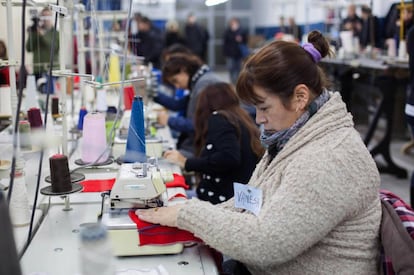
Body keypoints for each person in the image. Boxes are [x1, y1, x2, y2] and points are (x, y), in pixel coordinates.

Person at [136, 30, 382, 274]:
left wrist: (187, 214)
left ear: (300, 97)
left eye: (263, 107)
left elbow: (267, 243)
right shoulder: (294, 137)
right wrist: (191, 216)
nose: (259, 119)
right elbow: (252, 202)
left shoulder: (329, 157)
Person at [163, 82, 264, 204]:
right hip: (239, 198)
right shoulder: (241, 118)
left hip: (220, 200)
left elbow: (228, 157)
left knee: (167, 200)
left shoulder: (220, 118)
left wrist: (186, 162)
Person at [156, 53, 221, 157]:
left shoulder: (204, 85)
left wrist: (169, 120)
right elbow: (178, 104)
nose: (177, 87)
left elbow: (200, 125)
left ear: (183, 70)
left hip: (203, 149)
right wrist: (155, 94)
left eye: (175, 81)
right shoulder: (198, 82)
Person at [26, 7, 59, 82]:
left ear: (52, 17)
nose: (45, 19)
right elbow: (29, 48)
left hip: (53, 70)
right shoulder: (35, 32)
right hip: (38, 70)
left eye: (47, 16)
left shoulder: (56, 33)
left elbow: (55, 48)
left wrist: (42, 35)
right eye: (43, 16)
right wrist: (33, 34)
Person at [223, 17, 249, 84]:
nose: (233, 24)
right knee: (231, 68)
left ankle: (237, 81)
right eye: (232, 23)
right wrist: (225, 53)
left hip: (239, 53)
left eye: (235, 23)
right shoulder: (227, 31)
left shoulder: (242, 31)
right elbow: (225, 43)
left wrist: (241, 39)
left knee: (238, 68)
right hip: (230, 53)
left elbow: (246, 41)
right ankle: (232, 81)